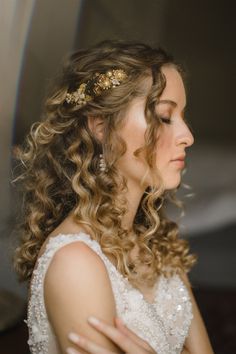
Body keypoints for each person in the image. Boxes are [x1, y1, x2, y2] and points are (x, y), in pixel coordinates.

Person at [13, 40, 214, 354]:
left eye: (183, 117)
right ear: (101, 126)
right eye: (164, 117)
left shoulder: (158, 247)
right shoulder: (74, 262)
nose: (187, 136)